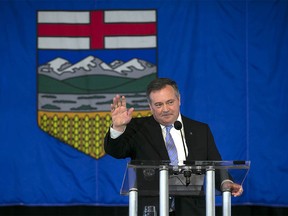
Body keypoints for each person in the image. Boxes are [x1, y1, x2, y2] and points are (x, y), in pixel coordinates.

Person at [104, 78, 243, 215]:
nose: (165, 109)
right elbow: (116, 151)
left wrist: (226, 181)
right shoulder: (138, 128)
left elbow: (215, 164)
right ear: (150, 106)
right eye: (158, 105)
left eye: (170, 102)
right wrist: (118, 128)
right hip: (152, 209)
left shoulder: (201, 130)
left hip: (192, 210)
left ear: (179, 99)